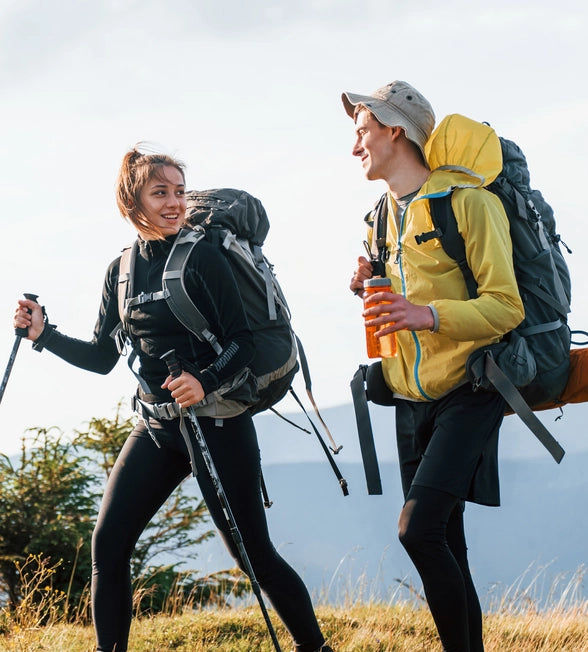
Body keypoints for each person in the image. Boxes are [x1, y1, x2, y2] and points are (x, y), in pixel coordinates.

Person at [14, 146, 334, 652]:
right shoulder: (119, 271)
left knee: (253, 556)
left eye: (180, 192)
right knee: (109, 547)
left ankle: (315, 648)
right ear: (131, 201)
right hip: (157, 428)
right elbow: (102, 358)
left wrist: (204, 380)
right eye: (160, 192)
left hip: (216, 423)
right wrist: (43, 335)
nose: (174, 203)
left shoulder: (203, 255)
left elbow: (242, 343)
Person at [343, 81, 525, 652]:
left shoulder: (470, 203)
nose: (355, 147)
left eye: (362, 131)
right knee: (446, 540)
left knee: (416, 531)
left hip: (472, 387)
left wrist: (423, 313)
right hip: (408, 396)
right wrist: (369, 289)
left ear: (395, 129)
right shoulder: (379, 216)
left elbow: (505, 306)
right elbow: (399, 307)